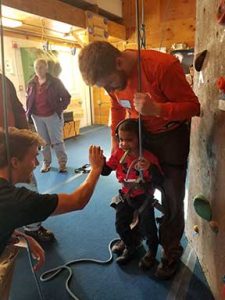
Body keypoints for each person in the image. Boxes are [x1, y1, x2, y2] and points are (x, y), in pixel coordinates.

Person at [78, 41, 200, 279]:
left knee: (172, 197)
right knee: (134, 191)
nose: (110, 88)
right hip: (138, 136)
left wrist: (158, 109)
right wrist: (115, 142)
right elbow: (115, 106)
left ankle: (171, 251)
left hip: (170, 138)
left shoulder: (162, 67)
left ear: (119, 62)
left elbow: (193, 107)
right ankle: (133, 239)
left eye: (110, 82)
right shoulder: (110, 79)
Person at [0, 127, 104, 300]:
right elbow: (77, 201)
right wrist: (95, 169)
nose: (37, 163)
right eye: (34, 157)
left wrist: (21, 236)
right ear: (14, 162)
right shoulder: (19, 201)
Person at [0, 74, 55, 242]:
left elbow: (18, 110)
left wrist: (28, 142)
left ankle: (32, 227)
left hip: (14, 145)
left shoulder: (3, 80)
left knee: (28, 182)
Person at [101, 119, 163, 268]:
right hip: (126, 195)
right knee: (120, 224)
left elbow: (160, 179)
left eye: (129, 140)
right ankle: (130, 245)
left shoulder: (148, 157)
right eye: (121, 139)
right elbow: (105, 171)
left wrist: (150, 167)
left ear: (140, 139)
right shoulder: (118, 154)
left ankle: (151, 253)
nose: (124, 144)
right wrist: (99, 162)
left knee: (148, 227)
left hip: (144, 197)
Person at [26, 58, 71, 173]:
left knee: (57, 141)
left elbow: (66, 97)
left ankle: (62, 163)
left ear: (46, 68)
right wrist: (29, 113)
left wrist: (59, 109)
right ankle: (46, 163)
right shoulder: (31, 83)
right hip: (37, 117)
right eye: (36, 67)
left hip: (52, 116)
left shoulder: (55, 82)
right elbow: (29, 98)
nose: (38, 70)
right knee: (43, 142)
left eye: (41, 67)